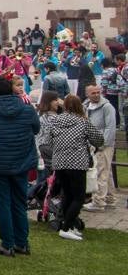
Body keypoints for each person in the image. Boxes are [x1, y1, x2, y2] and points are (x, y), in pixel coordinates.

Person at [0, 75, 39, 256]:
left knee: (3, 204)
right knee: (18, 202)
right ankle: (21, 242)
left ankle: (8, 242)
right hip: (21, 160)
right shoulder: (27, 109)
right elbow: (36, 129)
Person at [40, 95, 103, 240]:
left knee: (67, 194)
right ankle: (66, 226)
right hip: (77, 163)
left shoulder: (55, 120)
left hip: (60, 162)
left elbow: (46, 140)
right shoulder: (83, 122)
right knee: (79, 197)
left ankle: (68, 224)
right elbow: (99, 139)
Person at [82, 85, 117, 211]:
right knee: (107, 172)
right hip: (93, 144)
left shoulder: (107, 107)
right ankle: (110, 198)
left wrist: (102, 144)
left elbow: (110, 127)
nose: (96, 94)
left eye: (98, 92)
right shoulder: (86, 105)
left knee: (100, 172)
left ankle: (98, 201)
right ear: (87, 94)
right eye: (93, 93)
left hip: (103, 145)